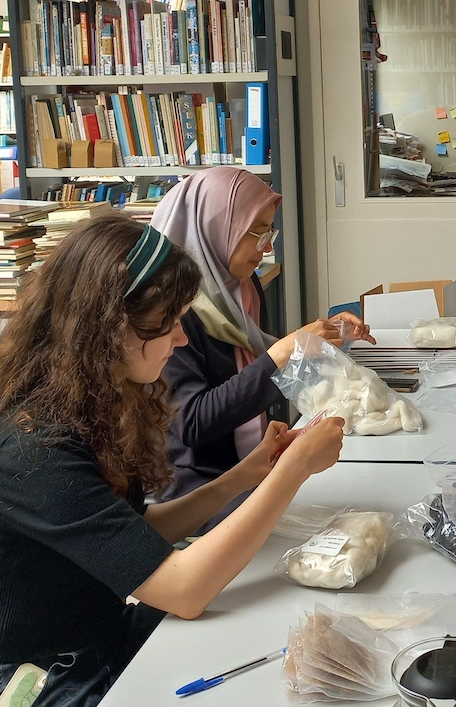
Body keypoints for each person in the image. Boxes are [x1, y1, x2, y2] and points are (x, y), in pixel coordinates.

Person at [0, 215, 345, 707]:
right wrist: (293, 470)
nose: (181, 339)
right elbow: (184, 591)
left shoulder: (90, 402)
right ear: (108, 328)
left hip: (89, 637)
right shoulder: (34, 450)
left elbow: (135, 531)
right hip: (21, 678)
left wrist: (245, 476)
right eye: (168, 323)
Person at [149, 168, 370, 506]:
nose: (266, 248)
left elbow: (253, 365)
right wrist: (281, 354)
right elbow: (191, 424)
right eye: (257, 233)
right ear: (216, 226)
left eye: (270, 232)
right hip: (196, 486)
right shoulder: (174, 310)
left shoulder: (243, 286)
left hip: (249, 465)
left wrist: (320, 338)